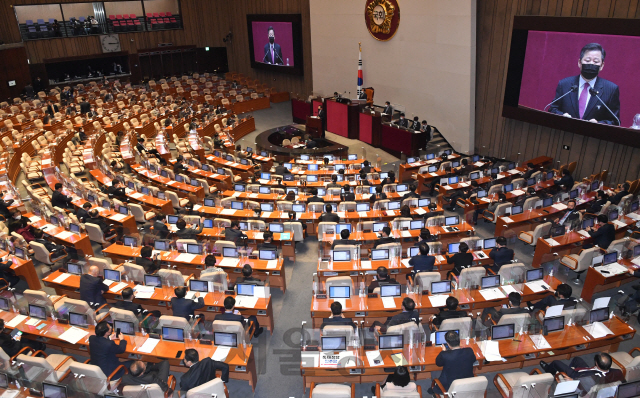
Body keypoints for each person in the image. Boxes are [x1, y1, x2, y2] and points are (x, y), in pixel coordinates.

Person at [548, 43, 620, 125]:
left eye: (596, 61)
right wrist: (562, 116)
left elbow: (615, 121)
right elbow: (552, 109)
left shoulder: (611, 89)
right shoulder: (564, 84)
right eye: (587, 60)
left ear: (602, 66)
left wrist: (599, 124)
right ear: (579, 62)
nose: (591, 64)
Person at [539, 353, 624, 394]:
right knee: (577, 359)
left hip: (576, 375)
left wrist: (572, 380)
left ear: (597, 364)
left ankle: (549, 369)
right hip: (588, 370)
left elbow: (581, 390)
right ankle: (569, 368)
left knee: (555, 362)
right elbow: (623, 384)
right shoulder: (618, 372)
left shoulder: (591, 379)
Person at [431, 331, 476, 395]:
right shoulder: (469, 351)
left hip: (450, 387)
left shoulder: (444, 355)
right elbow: (473, 360)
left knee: (434, 373)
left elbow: (438, 363)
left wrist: (443, 352)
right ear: (459, 341)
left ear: (448, 344)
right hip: (468, 384)